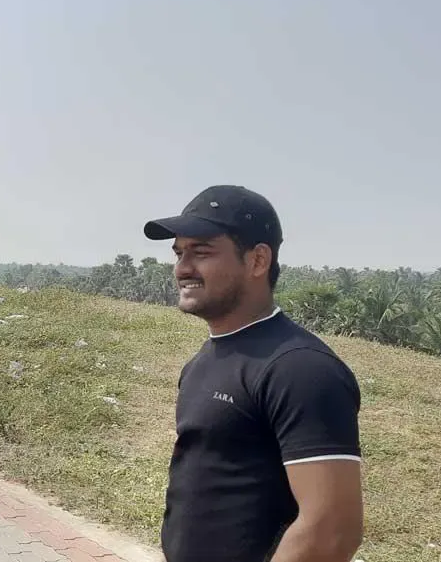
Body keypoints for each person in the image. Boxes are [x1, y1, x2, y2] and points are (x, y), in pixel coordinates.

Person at [143, 185, 364, 562]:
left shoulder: (300, 368)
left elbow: (332, 530)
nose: (182, 268)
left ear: (258, 260)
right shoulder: (208, 357)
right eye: (179, 253)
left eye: (202, 252)